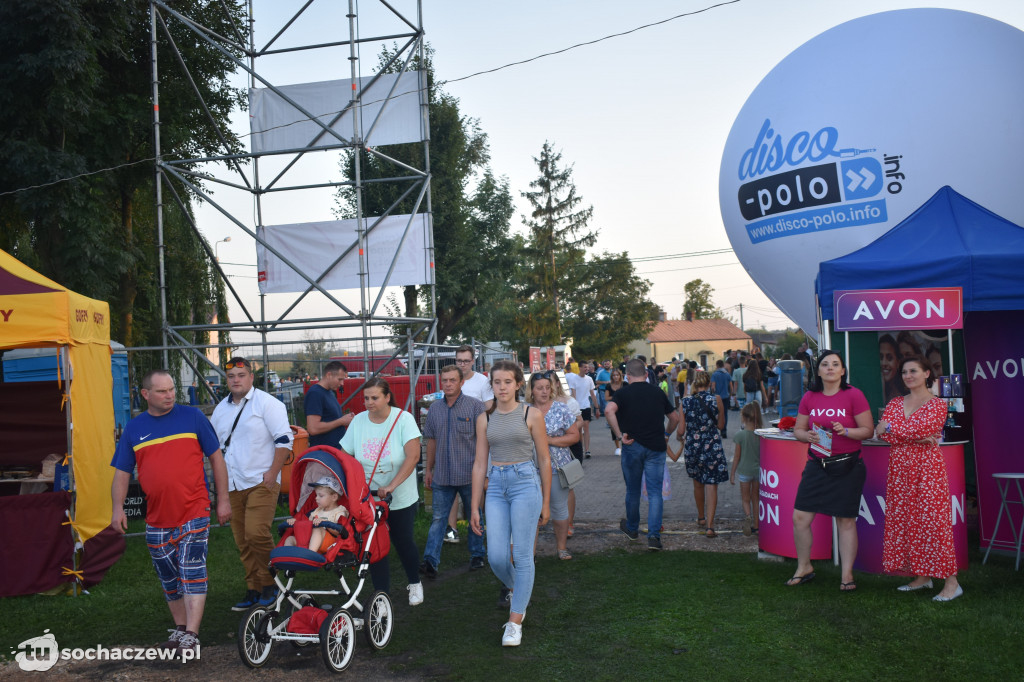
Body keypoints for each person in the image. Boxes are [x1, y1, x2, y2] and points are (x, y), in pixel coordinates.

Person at [110, 369, 231, 655]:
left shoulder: (194, 418)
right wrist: (118, 508)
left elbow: (217, 458)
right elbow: (122, 472)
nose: (169, 395)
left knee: (192, 571)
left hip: (194, 508)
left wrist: (222, 500)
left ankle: (192, 633)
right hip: (157, 517)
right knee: (169, 576)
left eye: (172, 389)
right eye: (162, 391)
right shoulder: (135, 428)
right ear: (146, 394)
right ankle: (180, 629)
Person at [470, 360, 551, 647]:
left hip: (525, 483)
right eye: (496, 382)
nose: (501, 387)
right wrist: (473, 506)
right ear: (490, 385)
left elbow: (543, 459)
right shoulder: (485, 418)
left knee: (523, 556)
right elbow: (480, 463)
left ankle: (514, 622)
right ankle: (519, 589)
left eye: (507, 382)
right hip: (495, 486)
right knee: (496, 557)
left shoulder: (531, 414)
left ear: (518, 384)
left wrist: (546, 501)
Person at [876, 356, 961, 601]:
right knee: (908, 522)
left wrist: (891, 429)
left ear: (926, 374)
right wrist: (904, 434)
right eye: (904, 371)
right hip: (900, 472)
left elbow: (919, 430)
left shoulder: (937, 404)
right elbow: (883, 435)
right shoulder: (894, 402)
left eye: (913, 370)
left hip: (927, 470)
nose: (908, 375)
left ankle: (952, 582)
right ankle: (923, 577)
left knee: (934, 523)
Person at [211, 357, 294, 611]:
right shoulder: (220, 410)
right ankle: (254, 588)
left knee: (256, 533)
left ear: (251, 377)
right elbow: (215, 448)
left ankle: (272, 583)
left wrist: (272, 473)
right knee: (242, 540)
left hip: (261, 480)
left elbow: (284, 441)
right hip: (233, 483)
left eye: (241, 375)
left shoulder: (268, 404)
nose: (235, 380)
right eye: (231, 376)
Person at [788, 351, 874, 591]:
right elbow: (798, 431)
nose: (830, 368)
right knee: (800, 518)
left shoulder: (854, 395)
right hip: (817, 463)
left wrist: (845, 431)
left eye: (835, 364)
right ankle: (804, 567)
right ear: (818, 371)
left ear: (843, 371)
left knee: (845, 521)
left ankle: (847, 575)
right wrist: (808, 436)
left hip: (848, 465)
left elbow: (867, 430)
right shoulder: (810, 397)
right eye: (825, 364)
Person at [339, 378, 424, 605]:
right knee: (373, 545)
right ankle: (381, 596)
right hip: (368, 497)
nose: (369, 402)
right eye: (366, 398)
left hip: (399, 495)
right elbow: (345, 455)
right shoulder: (358, 422)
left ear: (387, 397)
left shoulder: (403, 419)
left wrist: (392, 486)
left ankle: (415, 582)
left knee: (402, 540)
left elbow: (413, 456)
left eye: (374, 398)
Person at [419, 365, 486, 578]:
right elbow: (431, 440)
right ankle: (430, 561)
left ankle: (477, 555)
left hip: (469, 474)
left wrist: (484, 472)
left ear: (461, 382)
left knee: (475, 515)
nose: (448, 384)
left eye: (452, 380)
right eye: (445, 380)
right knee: (438, 518)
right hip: (442, 476)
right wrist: (428, 469)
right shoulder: (435, 409)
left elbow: (484, 442)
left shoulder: (475, 407)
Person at [605, 358, 679, 551]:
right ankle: (654, 536)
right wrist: (667, 435)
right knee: (655, 493)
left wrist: (620, 435)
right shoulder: (657, 392)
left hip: (632, 446)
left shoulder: (622, 393)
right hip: (656, 447)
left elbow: (608, 410)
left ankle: (632, 528)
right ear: (646, 375)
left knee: (633, 490)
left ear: (627, 376)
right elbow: (675, 417)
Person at [528, 371, 580, 560]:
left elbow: (574, 436)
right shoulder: (524, 410)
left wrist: (548, 440)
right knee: (531, 511)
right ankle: (530, 553)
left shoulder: (561, 408)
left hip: (558, 467)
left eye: (547, 388)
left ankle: (561, 548)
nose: (544, 391)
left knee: (559, 508)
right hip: (530, 469)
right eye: (539, 388)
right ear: (531, 390)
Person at [448, 345, 495, 544]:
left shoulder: (482, 381)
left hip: (476, 439)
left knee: (479, 483)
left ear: (473, 361)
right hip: (454, 440)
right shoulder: (451, 378)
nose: (462, 364)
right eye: (459, 360)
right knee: (449, 483)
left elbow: (489, 408)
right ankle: (450, 530)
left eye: (466, 361)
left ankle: (477, 525)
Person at [677, 371, 728, 538]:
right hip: (712, 446)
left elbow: (681, 430)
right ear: (709, 384)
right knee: (711, 484)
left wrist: (680, 436)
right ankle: (710, 526)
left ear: (694, 385)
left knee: (697, 482)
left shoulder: (685, 402)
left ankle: (700, 518)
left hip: (693, 446)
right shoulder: (717, 400)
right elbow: (721, 425)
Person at [551, 375, 584, 535]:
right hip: (546, 451)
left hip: (568, 447)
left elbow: (580, 421)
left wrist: (564, 431)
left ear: (557, 383)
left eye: (550, 382)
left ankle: (569, 523)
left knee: (568, 486)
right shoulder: (535, 404)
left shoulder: (569, 401)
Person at [284, 477, 349, 551]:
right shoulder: (316, 511)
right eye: (316, 495)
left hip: (329, 543)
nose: (316, 498)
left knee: (317, 528)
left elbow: (340, 532)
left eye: (320, 496)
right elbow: (305, 524)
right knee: (290, 539)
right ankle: (289, 556)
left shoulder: (339, 512)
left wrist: (324, 524)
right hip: (310, 541)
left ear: (334, 497)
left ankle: (310, 554)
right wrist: (295, 521)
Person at [730, 402, 763, 536]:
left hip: (744, 472)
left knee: (745, 498)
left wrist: (732, 474)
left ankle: (748, 516)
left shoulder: (740, 435)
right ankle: (756, 526)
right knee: (756, 498)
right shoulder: (761, 434)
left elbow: (736, 457)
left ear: (743, 417)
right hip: (757, 472)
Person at [304, 361, 354, 448]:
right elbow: (313, 428)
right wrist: (341, 421)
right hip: (325, 455)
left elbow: (329, 419)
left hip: (335, 452)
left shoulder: (330, 392)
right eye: (339, 379)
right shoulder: (315, 393)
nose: (342, 383)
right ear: (329, 375)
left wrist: (345, 419)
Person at [567, 361, 598, 458]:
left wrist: (597, 407)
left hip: (586, 406)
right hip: (577, 408)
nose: (587, 369)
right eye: (585, 367)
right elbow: (573, 394)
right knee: (579, 430)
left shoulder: (589, 379)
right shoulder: (574, 379)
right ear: (579, 368)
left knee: (586, 428)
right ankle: (580, 449)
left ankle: (587, 450)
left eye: (587, 367)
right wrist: (575, 407)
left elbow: (592, 394)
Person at [605, 368, 625, 454]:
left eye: (617, 375)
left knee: (624, 426)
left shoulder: (625, 384)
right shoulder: (609, 386)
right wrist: (617, 397)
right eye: (614, 375)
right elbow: (606, 398)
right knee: (614, 426)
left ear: (620, 376)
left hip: (624, 408)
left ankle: (624, 444)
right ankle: (618, 447)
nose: (616, 377)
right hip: (613, 408)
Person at [879, 334, 905, 403]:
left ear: (898, 363)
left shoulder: (900, 397)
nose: (884, 363)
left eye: (889, 358)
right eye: (880, 357)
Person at [711, 360, 732, 438]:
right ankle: (724, 430)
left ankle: (716, 430)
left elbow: (713, 387)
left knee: (716, 413)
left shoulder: (715, 374)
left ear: (717, 365)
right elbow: (731, 386)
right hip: (726, 397)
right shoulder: (727, 374)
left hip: (717, 398)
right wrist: (731, 394)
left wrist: (713, 392)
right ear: (723, 365)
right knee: (725, 413)